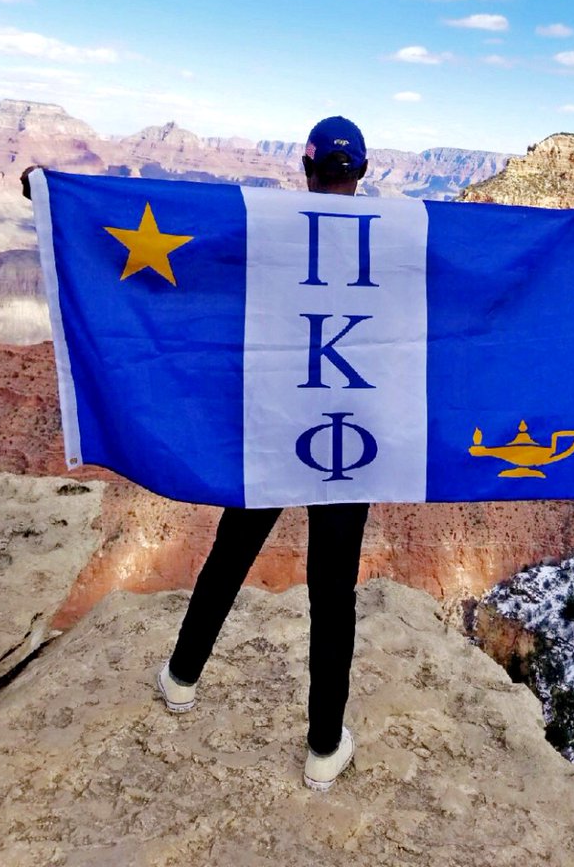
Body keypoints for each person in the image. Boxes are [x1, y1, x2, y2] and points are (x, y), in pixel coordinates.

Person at [156, 115, 370, 793]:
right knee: (333, 589)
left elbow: (193, 253)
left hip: (277, 421)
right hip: (348, 433)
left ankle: (183, 679)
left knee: (232, 550)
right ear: (361, 174)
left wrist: (49, 196)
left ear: (306, 171)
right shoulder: (392, 241)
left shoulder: (271, 226)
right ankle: (323, 746)